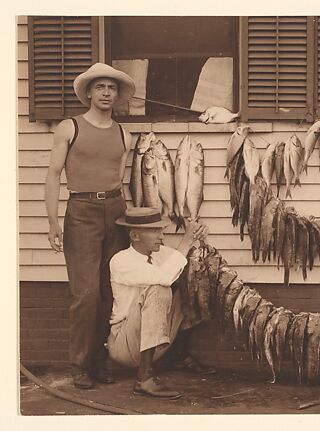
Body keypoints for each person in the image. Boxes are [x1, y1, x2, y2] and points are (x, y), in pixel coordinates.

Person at [45, 63, 136, 389]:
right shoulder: (70, 128)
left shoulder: (124, 133)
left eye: (112, 88)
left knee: (109, 290)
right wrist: (53, 222)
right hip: (81, 211)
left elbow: (121, 181)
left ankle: (100, 360)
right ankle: (80, 365)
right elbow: (54, 175)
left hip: (115, 210)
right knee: (86, 293)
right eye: (100, 87)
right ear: (89, 92)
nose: (107, 93)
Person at [108, 207, 215, 400]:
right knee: (158, 289)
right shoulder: (121, 260)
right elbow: (164, 278)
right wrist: (186, 240)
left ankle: (178, 355)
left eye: (161, 230)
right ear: (134, 235)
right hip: (125, 345)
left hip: (154, 344)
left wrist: (199, 236)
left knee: (192, 283)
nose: (161, 235)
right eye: (154, 230)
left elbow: (182, 262)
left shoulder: (161, 253)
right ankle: (144, 378)